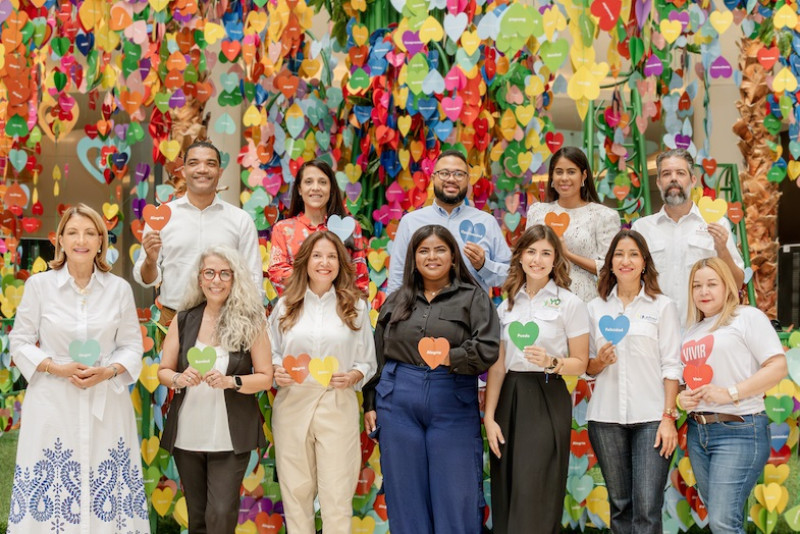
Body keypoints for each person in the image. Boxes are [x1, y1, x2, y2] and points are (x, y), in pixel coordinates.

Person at [8, 204, 149, 533]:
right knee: (53, 485)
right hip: (52, 402)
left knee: (106, 485)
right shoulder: (39, 287)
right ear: (59, 240)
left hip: (106, 404)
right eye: (72, 232)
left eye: (89, 232)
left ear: (101, 240)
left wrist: (109, 371)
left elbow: (131, 345)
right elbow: (20, 340)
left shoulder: (119, 290)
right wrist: (55, 368)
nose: (81, 240)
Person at [363, 224, 500, 534]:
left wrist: (448, 355)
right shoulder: (397, 300)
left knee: (457, 495)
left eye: (440, 249)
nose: (432, 256)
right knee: (405, 496)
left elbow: (488, 347)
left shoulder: (473, 297)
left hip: (451, 399)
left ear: (453, 256)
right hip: (397, 401)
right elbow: (378, 354)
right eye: (423, 250)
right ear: (414, 258)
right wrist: (370, 402)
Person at [158, 246, 272, 534]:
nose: (216, 280)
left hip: (229, 437)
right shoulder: (184, 319)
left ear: (235, 279)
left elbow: (265, 378)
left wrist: (231, 381)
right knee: (196, 517)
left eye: (224, 273)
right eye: (209, 272)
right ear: (199, 279)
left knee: (220, 514)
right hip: (188, 434)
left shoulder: (251, 320)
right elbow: (163, 371)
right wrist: (179, 379)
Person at [483, 225, 589, 534]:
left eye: (546, 253)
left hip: (547, 395)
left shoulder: (570, 303)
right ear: (519, 257)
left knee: (535, 484)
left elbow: (580, 362)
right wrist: (489, 417)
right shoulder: (506, 305)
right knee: (507, 484)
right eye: (531, 251)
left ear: (555, 259)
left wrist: (551, 362)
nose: (537, 259)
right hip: (509, 397)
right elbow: (498, 367)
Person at [269, 231, 377, 534]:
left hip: (336, 402)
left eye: (331, 256)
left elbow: (367, 361)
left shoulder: (354, 306)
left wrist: (355, 375)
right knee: (295, 494)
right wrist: (277, 369)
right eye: (317, 255)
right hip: (292, 402)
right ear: (305, 261)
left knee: (337, 495)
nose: (324, 262)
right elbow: (271, 352)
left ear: (340, 264)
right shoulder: (285, 304)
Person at [678, 258, 786, 534]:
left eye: (712, 284)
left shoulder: (746, 317)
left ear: (727, 286)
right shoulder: (690, 332)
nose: (704, 291)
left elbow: (777, 366)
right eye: (697, 285)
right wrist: (682, 400)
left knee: (723, 523)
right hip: (698, 432)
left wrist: (730, 393)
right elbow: (684, 383)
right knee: (722, 519)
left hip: (739, 429)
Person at [585, 229, 682, 534]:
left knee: (646, 508)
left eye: (633, 254)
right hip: (605, 419)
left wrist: (668, 418)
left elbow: (672, 366)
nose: (625, 260)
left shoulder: (662, 306)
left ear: (644, 262)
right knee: (621, 505)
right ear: (610, 263)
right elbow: (587, 366)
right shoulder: (595, 308)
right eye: (619, 254)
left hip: (652, 419)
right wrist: (600, 361)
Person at [133, 140, 263, 325]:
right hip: (173, 320)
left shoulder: (240, 220)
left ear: (220, 172)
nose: (202, 169)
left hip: (227, 320)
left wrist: (252, 324)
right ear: (183, 171)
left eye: (210, 163)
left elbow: (253, 278)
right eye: (194, 163)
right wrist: (150, 261)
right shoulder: (161, 217)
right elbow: (145, 279)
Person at [632, 148, 744, 325]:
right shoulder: (641, 228)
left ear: (692, 180)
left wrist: (722, 248)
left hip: (703, 331)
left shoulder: (717, 224)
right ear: (659, 182)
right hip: (655, 331)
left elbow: (736, 283)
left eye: (680, 173)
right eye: (667, 174)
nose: (673, 178)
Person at [386, 149, 511, 294]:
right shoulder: (410, 222)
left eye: (459, 174)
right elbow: (397, 279)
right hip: (420, 313)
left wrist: (483, 265)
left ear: (468, 179)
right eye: (444, 173)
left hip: (472, 314)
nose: (451, 179)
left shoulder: (487, 222)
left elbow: (510, 275)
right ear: (433, 178)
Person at [526, 146, 620, 302]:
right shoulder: (538, 212)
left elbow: (611, 268)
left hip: (583, 301)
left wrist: (568, 254)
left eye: (571, 172)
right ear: (552, 176)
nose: (564, 178)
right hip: (541, 299)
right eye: (559, 172)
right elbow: (525, 257)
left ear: (583, 175)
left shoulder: (602, 216)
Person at [268, 159, 368, 295]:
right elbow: (277, 274)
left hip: (341, 310)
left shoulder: (349, 227)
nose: (315, 187)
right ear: (299, 189)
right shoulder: (283, 229)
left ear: (331, 188)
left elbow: (360, 277)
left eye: (322, 182)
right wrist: (320, 280)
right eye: (309, 182)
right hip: (298, 310)